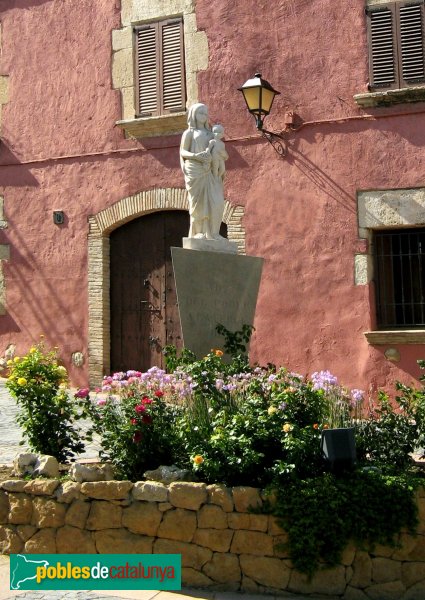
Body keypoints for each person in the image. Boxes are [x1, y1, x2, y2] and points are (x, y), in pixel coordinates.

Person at [180, 103, 225, 240]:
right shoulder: (189, 133)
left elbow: (217, 151)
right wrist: (196, 156)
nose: (204, 116)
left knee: (217, 202)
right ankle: (199, 232)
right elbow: (183, 151)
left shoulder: (212, 134)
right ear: (193, 115)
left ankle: (214, 233)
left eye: (205, 113)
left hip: (211, 171)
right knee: (198, 203)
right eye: (200, 113)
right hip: (195, 169)